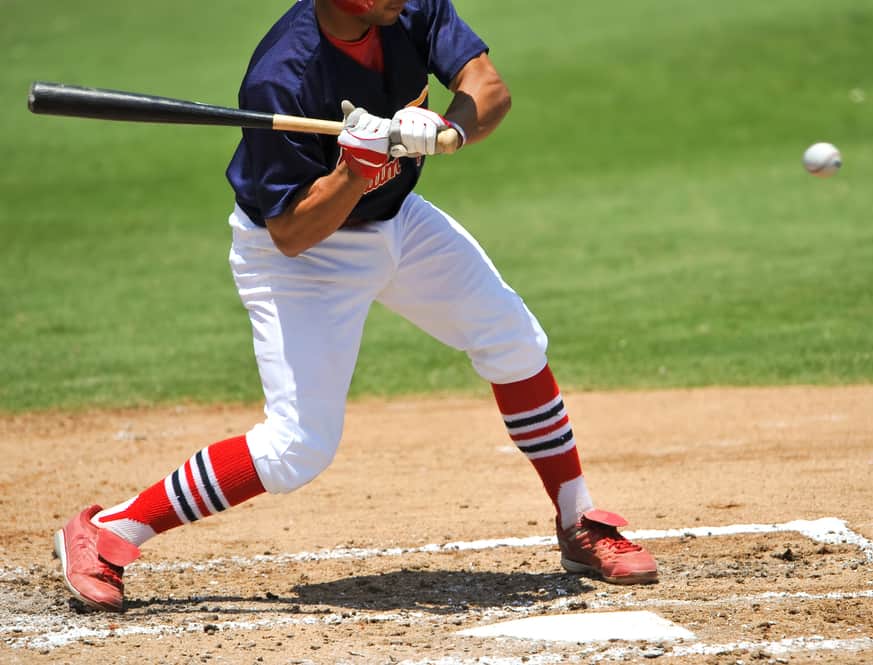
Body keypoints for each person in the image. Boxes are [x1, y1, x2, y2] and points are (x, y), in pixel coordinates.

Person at [54, 0, 658, 613]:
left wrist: (449, 131)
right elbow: (291, 232)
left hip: (400, 221)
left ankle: (577, 521)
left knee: (512, 339)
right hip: (302, 258)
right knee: (296, 448)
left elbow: (488, 88)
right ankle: (110, 528)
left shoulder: (408, 9)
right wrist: (354, 169)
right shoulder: (284, 76)